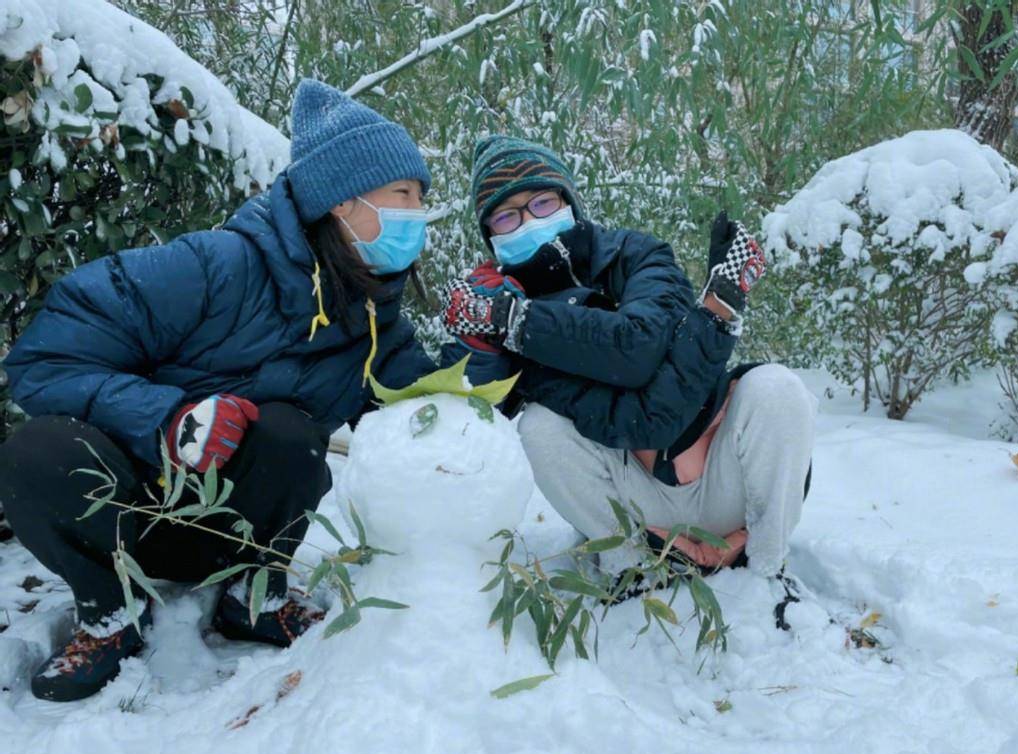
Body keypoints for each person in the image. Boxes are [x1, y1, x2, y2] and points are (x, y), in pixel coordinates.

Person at [0, 79, 461, 702]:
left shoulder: (375, 323)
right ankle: (111, 611)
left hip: (226, 535)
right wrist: (167, 418)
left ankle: (255, 598)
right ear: (341, 202)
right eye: (403, 194)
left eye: (421, 198)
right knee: (38, 450)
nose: (417, 213)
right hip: (123, 514)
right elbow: (46, 357)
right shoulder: (213, 268)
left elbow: (433, 408)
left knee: (292, 433)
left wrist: (494, 339)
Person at [439, 135, 817, 604]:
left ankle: (766, 570)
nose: (528, 221)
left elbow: (634, 351)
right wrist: (479, 339)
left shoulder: (636, 255)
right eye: (506, 215)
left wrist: (519, 324)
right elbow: (476, 410)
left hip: (724, 482)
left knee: (776, 389)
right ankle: (631, 566)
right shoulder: (494, 300)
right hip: (634, 504)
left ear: (568, 202)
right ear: (491, 236)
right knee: (541, 428)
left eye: (541, 201)